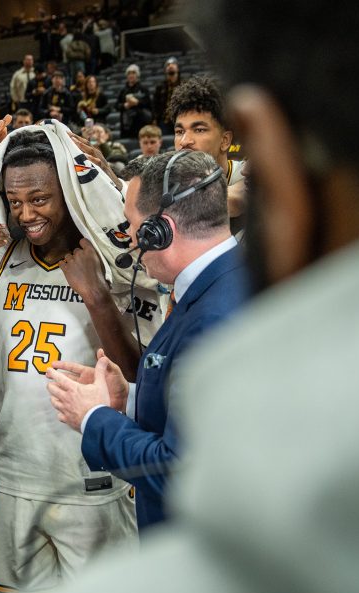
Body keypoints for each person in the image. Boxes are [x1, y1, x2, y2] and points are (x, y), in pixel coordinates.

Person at [0, 1, 359, 593]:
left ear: (261, 151)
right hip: (28, 476)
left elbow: (183, 464)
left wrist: (97, 418)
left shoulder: (218, 308)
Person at [0, 129, 138, 593]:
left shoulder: (106, 258)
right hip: (18, 477)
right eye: (15, 201)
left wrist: (97, 297)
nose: (26, 214)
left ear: (67, 190)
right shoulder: (4, 260)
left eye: (39, 198)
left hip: (90, 479)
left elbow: (137, 375)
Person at [46, 149, 249, 530]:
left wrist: (94, 418)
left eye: (132, 225)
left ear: (161, 230)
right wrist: (131, 397)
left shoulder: (215, 316)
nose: (130, 240)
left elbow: (179, 472)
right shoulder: (221, 281)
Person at [168, 76, 246, 227]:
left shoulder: (247, 173)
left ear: (225, 141)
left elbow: (237, 197)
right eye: (179, 131)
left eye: (199, 130)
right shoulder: (169, 181)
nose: (184, 141)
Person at [117, 64, 153, 139]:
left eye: (133, 73)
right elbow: (116, 105)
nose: (131, 75)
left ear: (137, 75)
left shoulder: (143, 89)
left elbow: (149, 103)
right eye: (129, 73)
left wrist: (137, 102)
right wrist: (125, 105)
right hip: (127, 125)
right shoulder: (123, 91)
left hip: (141, 122)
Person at [153, 57, 183, 135]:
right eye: (168, 65)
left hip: (180, 120)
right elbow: (155, 105)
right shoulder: (160, 87)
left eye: (173, 64)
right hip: (164, 121)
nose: (170, 66)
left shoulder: (184, 85)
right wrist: (155, 119)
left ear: (178, 68)